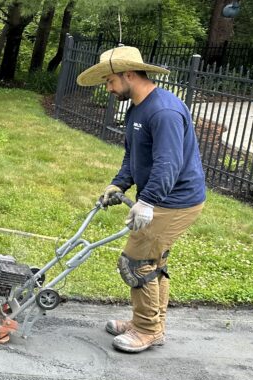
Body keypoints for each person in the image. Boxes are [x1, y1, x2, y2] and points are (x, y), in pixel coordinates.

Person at [76, 46, 206, 353]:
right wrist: (118, 183)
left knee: (136, 262)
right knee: (153, 262)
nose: (108, 88)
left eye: (110, 81)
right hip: (162, 197)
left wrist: (147, 202)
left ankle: (148, 330)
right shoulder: (138, 106)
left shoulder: (163, 112)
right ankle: (148, 322)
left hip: (175, 200)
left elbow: (168, 164)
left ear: (129, 75)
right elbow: (133, 154)